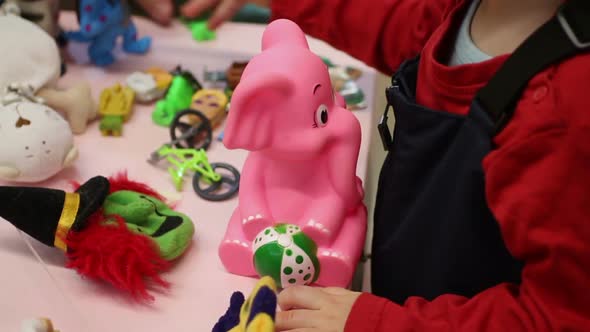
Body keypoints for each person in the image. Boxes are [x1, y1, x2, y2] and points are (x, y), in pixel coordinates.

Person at [155, 0, 590, 331]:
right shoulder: (467, 9)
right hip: (399, 282)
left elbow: (560, 314)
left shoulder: (569, 106)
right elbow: (405, 25)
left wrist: (380, 322)